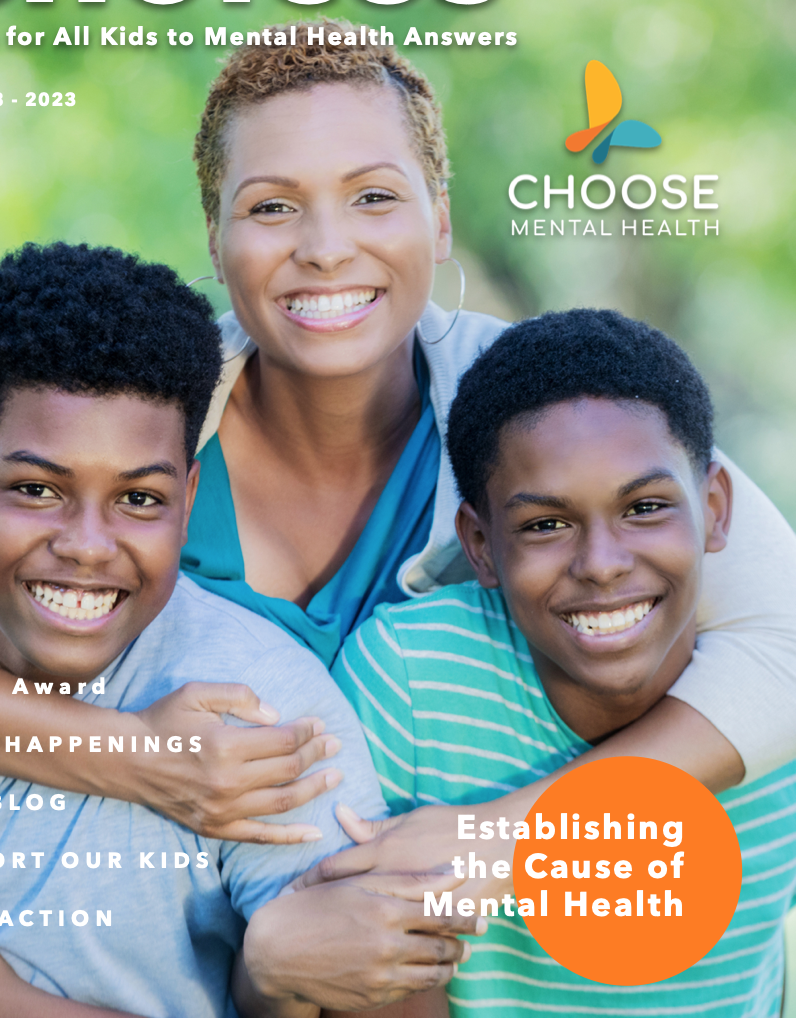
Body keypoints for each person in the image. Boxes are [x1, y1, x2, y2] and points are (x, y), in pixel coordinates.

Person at [0, 22, 795, 866]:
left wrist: (503, 837)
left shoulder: (538, 407)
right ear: (216, 235)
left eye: (374, 197)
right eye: (271, 207)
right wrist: (136, 757)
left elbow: (783, 644)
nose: (324, 247)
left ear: (439, 214)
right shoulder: (130, 409)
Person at [0, 243, 477, 1018]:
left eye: (139, 500)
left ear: (187, 496)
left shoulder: (258, 715)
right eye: (35, 489)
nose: (88, 545)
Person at [329, 308, 796, 1016]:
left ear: (716, 509)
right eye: (545, 525)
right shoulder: (410, 683)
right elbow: (372, 973)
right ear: (480, 546)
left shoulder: (776, 726)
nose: (602, 565)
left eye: (644, 507)